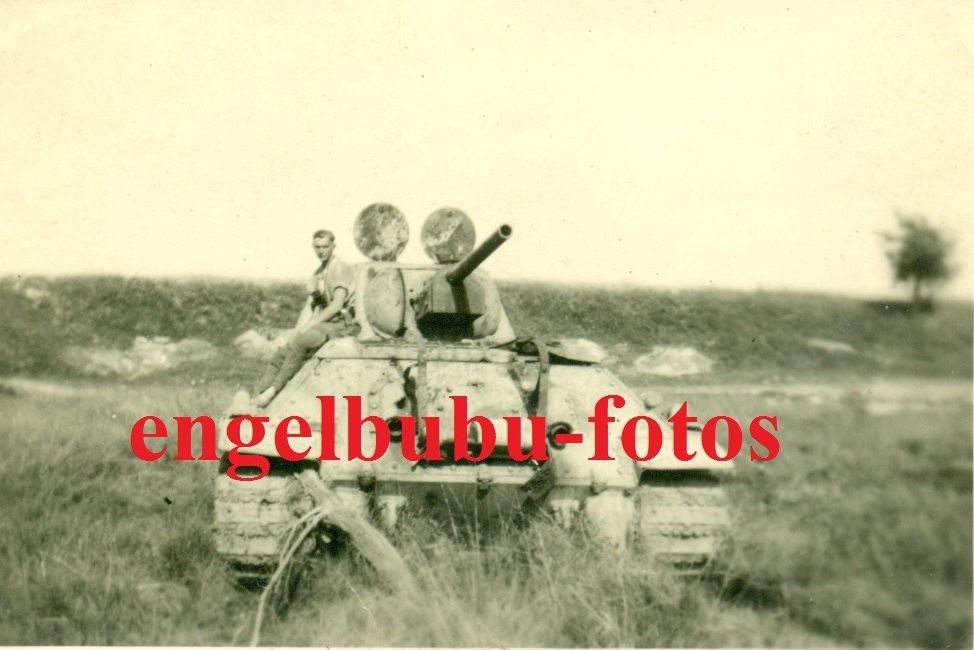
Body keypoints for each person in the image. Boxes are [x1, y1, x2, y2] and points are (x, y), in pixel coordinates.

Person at [254, 229, 356, 407]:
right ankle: (259, 394)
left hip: (340, 324)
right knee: (284, 350)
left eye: (325, 247)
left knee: (301, 343)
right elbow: (310, 306)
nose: (321, 251)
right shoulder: (318, 273)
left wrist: (310, 325)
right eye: (317, 247)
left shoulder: (340, 268)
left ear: (333, 246)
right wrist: (297, 331)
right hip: (325, 324)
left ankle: (274, 391)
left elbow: (337, 304)